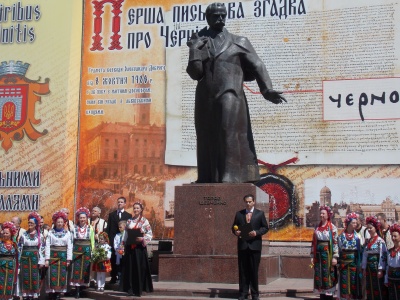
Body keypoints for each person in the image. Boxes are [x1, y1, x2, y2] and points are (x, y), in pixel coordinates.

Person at [186, 2, 285, 183]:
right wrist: (194, 50)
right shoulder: (200, 40)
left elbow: (257, 64)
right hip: (205, 97)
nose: (220, 18)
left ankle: (229, 175)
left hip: (230, 93)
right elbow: (196, 74)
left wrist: (266, 89)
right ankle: (206, 176)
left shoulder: (239, 41)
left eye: (223, 15)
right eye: (216, 15)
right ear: (208, 18)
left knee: (227, 130)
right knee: (204, 134)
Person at [232, 194, 269, 300]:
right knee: (243, 270)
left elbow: (265, 228)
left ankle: (255, 294)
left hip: (255, 246)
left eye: (250, 202)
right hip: (243, 246)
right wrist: (236, 232)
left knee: (253, 271)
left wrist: (256, 233)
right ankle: (243, 293)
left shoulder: (259, 214)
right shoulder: (239, 214)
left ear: (254, 202)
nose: (248, 204)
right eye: (246, 202)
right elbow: (233, 228)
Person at [120, 202, 153, 297]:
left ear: (141, 209)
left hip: (139, 249)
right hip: (130, 248)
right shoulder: (129, 221)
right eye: (134, 208)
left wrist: (143, 238)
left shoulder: (144, 221)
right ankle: (130, 289)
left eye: (137, 208)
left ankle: (139, 289)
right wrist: (122, 245)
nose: (136, 210)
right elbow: (125, 234)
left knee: (139, 268)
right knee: (130, 268)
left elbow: (149, 234)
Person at [310, 205, 338, 300]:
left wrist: (335, 256)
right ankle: (321, 295)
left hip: (328, 255)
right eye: (321, 213)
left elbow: (335, 242)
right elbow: (313, 242)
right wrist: (312, 256)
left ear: (328, 215)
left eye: (323, 213)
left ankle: (329, 296)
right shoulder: (317, 227)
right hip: (318, 255)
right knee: (319, 274)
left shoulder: (332, 228)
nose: (321, 215)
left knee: (328, 274)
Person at [45, 211, 73, 300]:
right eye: (58, 222)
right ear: (55, 222)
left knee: (62, 274)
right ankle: (52, 293)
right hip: (53, 256)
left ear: (64, 222)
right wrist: (47, 258)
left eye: (61, 222)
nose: (60, 223)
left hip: (63, 257)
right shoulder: (50, 233)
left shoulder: (67, 233)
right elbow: (47, 246)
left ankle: (58, 293)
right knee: (52, 274)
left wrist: (68, 259)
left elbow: (69, 246)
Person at [18, 212, 45, 300]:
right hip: (25, 258)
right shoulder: (23, 235)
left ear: (36, 224)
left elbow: (42, 248)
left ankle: (34, 294)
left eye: (32, 223)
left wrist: (42, 261)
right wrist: (18, 261)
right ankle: (26, 295)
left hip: (35, 258)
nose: (30, 224)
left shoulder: (40, 236)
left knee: (34, 276)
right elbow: (20, 248)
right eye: (29, 223)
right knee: (25, 276)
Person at [70, 207, 95, 299]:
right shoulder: (74, 228)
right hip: (76, 251)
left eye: (84, 218)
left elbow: (92, 241)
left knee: (85, 270)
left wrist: (92, 251)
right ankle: (76, 290)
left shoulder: (90, 228)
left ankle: (82, 289)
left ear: (86, 218)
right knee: (76, 270)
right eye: (81, 218)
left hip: (86, 251)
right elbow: (71, 241)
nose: (82, 219)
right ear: (78, 218)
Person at [337, 212, 363, 300]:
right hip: (344, 264)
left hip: (354, 264)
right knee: (344, 282)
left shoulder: (357, 236)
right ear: (348, 223)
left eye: (356, 223)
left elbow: (360, 251)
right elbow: (338, 249)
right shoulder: (341, 236)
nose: (355, 224)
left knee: (353, 283)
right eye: (353, 223)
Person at [107, 197, 132, 284]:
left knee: (123, 259)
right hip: (114, 241)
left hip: (123, 240)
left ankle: (122, 277)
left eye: (121, 202)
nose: (119, 203)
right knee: (113, 259)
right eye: (118, 202)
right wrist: (109, 240)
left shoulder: (128, 215)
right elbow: (109, 228)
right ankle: (113, 276)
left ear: (125, 204)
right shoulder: (111, 214)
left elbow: (129, 228)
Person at [362, 216, 388, 300]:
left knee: (378, 288)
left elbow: (382, 255)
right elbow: (365, 255)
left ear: (375, 228)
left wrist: (380, 269)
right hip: (369, 270)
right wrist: (364, 267)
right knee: (370, 288)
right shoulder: (368, 241)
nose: (369, 230)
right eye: (368, 228)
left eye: (371, 228)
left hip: (376, 268)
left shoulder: (380, 241)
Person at [0, 222, 18, 299]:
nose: (5, 235)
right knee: (1, 281)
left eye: (7, 233)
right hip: (1, 264)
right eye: (4, 233)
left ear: (11, 234)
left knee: (9, 281)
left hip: (11, 264)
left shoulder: (14, 244)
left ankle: (8, 297)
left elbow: (17, 255)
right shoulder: (0, 243)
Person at [385, 223, 400, 299]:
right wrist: (386, 278)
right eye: (392, 236)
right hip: (391, 279)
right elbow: (388, 265)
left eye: (395, 236)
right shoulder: (390, 251)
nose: (393, 238)